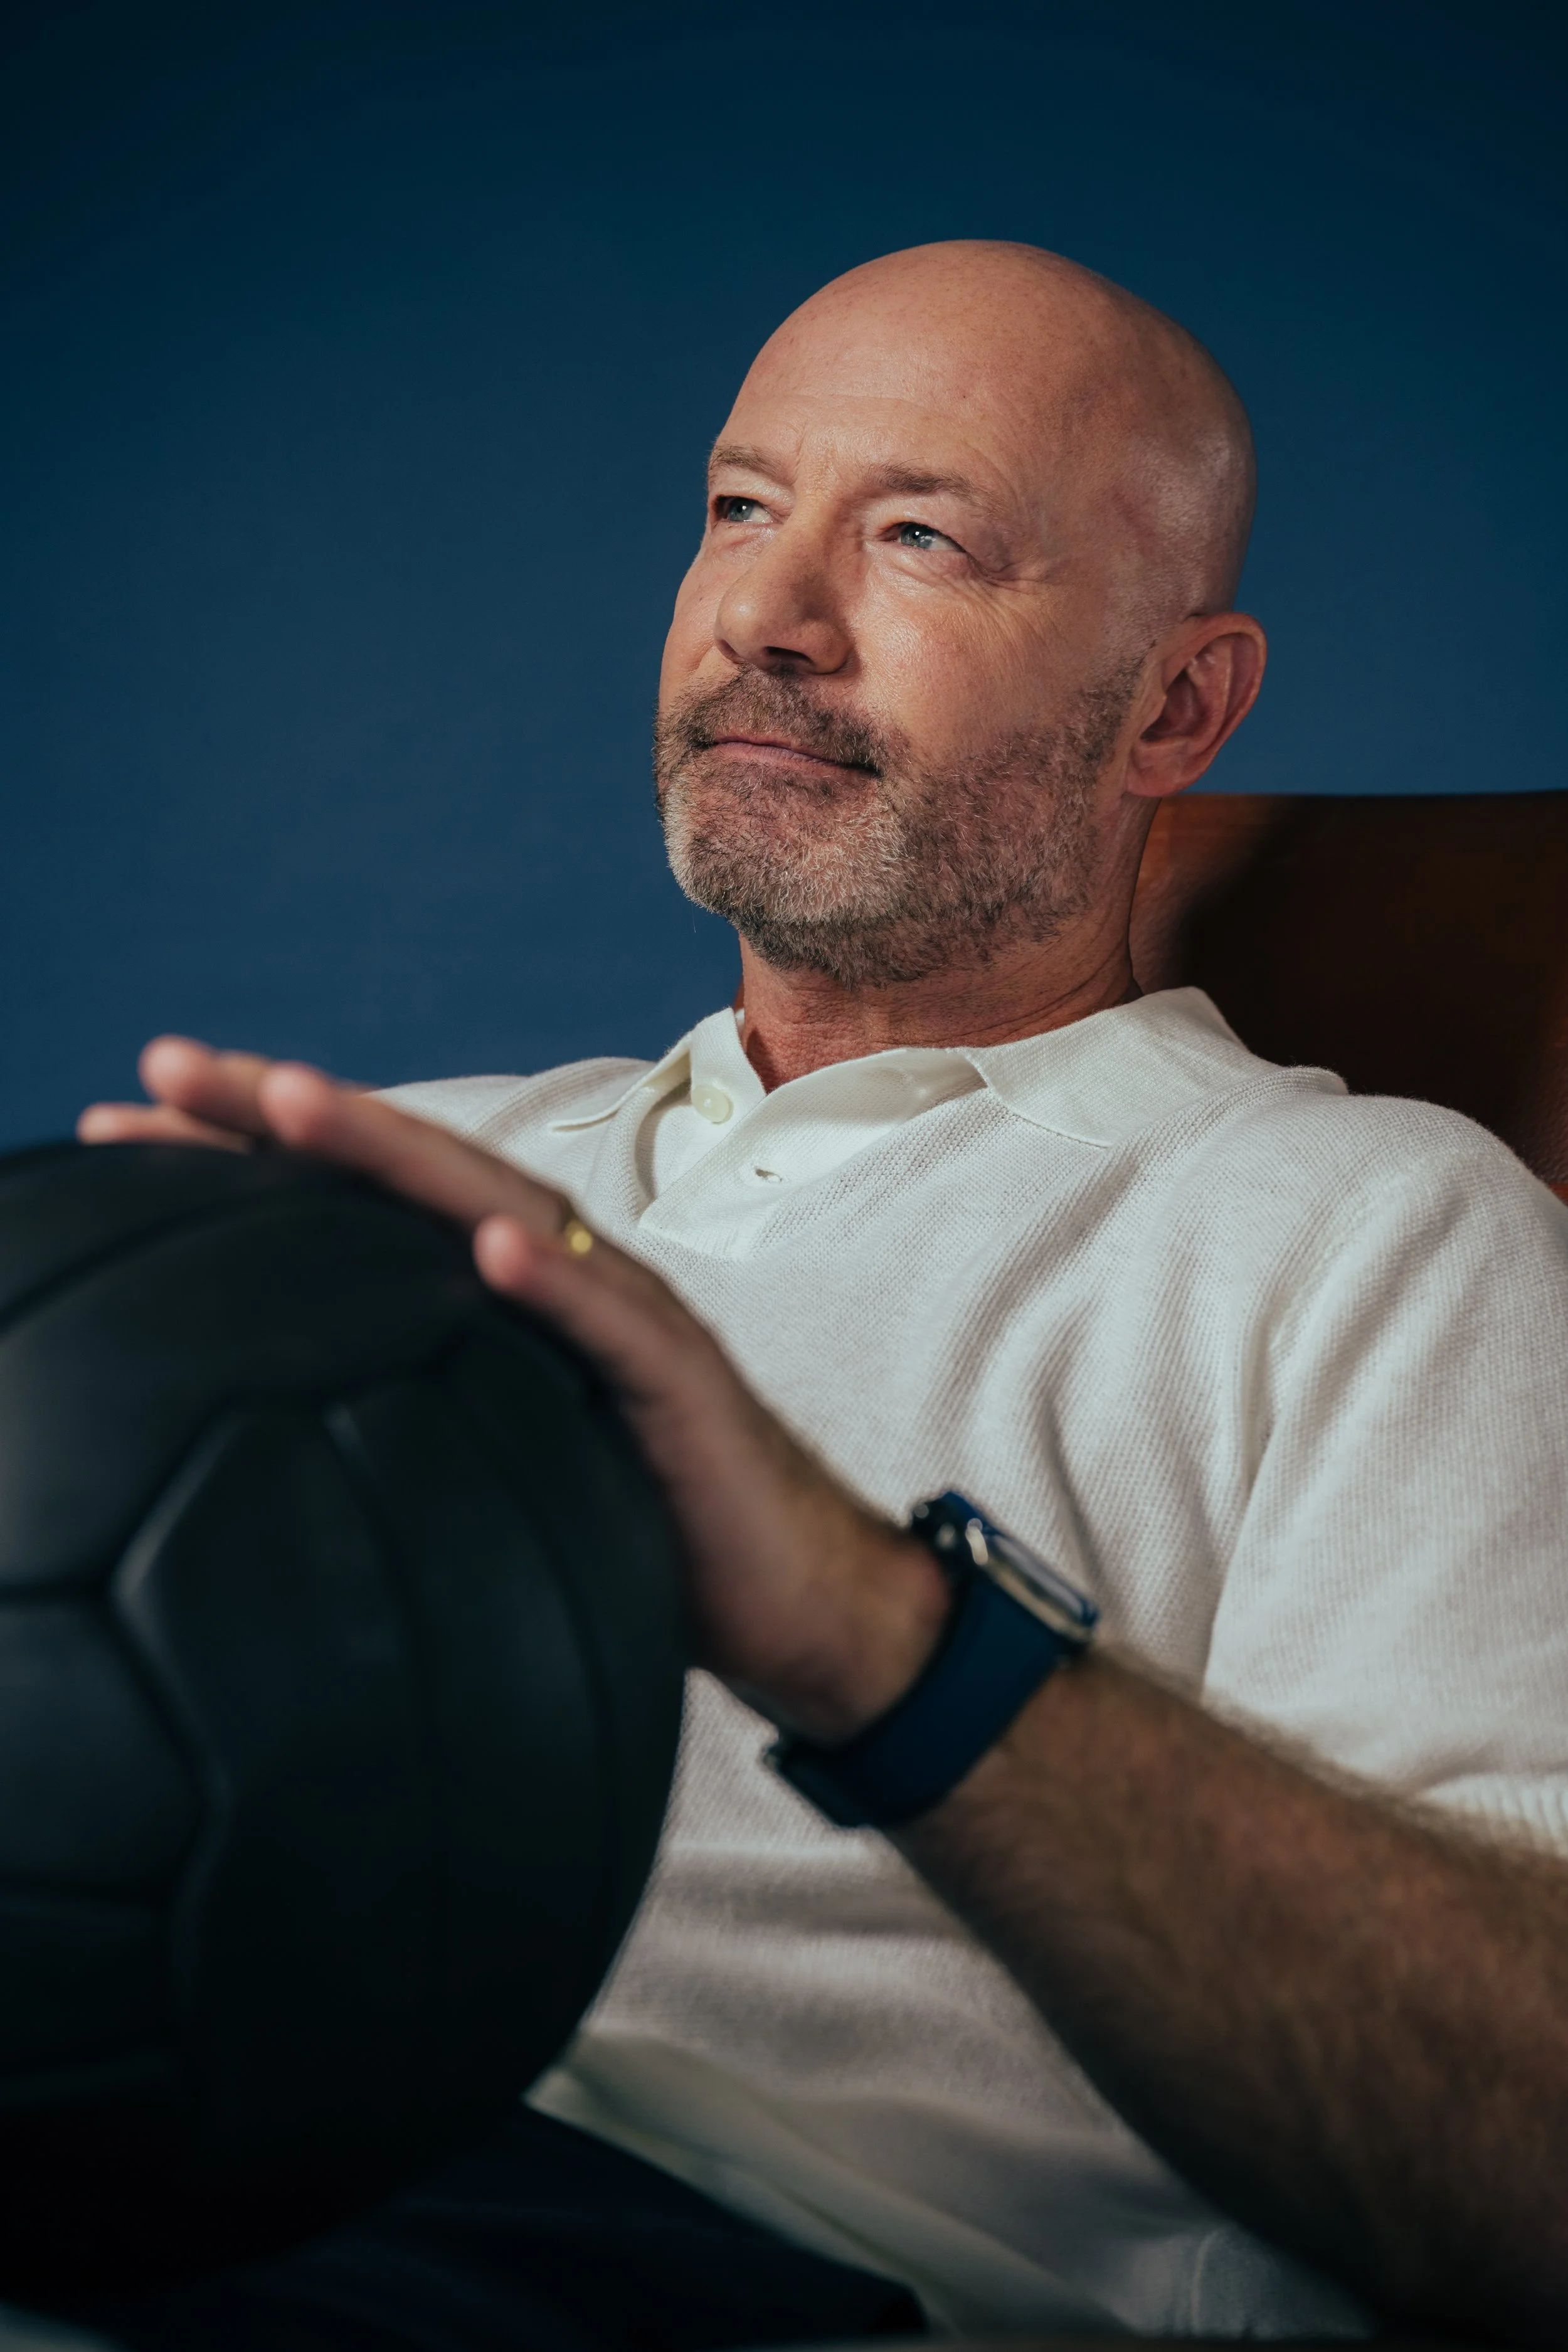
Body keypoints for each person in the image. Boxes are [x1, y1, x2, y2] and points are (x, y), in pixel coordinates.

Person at [80, 241, 1568, 2348]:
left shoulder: (1373, 1235)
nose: (764, 620)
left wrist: (877, 1632)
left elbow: (1528, 2164)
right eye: (738, 510)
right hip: (173, 2142)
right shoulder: (392, 1171)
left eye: (920, 540)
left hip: (721, 2265)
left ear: (1174, 706)